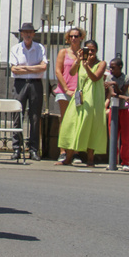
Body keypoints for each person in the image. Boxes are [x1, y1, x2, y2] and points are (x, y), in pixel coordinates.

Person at [56, 39, 107, 167]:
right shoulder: (80, 62)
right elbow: (72, 72)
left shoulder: (101, 64)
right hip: (80, 98)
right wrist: (78, 60)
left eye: (92, 50)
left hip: (93, 100)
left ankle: (90, 159)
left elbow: (95, 77)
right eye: (87, 50)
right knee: (72, 124)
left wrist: (86, 66)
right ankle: (68, 157)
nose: (90, 53)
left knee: (91, 126)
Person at [9, 22, 48, 161]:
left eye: (30, 32)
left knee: (35, 117)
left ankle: (33, 149)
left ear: (34, 33)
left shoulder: (39, 48)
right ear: (21, 34)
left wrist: (24, 68)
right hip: (20, 84)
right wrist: (34, 68)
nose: (27, 34)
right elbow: (13, 69)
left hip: (35, 84)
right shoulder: (16, 48)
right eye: (25, 32)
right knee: (17, 115)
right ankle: (16, 148)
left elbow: (43, 67)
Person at [54, 27, 85, 162]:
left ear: (81, 37)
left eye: (76, 36)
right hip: (64, 90)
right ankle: (63, 151)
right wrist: (66, 89)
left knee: (77, 121)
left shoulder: (84, 53)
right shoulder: (63, 52)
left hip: (79, 91)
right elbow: (58, 71)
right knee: (64, 119)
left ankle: (75, 151)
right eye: (71, 36)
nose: (74, 38)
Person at [105, 57, 129, 170]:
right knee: (113, 136)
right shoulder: (110, 77)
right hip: (113, 109)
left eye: (113, 67)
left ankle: (125, 161)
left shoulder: (126, 78)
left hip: (124, 110)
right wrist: (124, 97)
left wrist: (114, 84)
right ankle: (113, 161)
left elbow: (120, 92)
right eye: (110, 67)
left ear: (120, 67)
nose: (111, 69)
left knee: (125, 137)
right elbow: (113, 94)